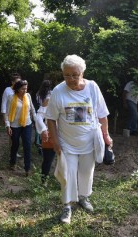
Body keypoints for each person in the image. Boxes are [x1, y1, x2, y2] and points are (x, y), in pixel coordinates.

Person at [45, 54, 112, 224]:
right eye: (67, 75)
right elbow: (51, 119)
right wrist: (56, 143)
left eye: (75, 75)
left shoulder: (92, 87)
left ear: (82, 73)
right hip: (67, 142)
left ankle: (83, 197)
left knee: (86, 172)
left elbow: (102, 114)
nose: (71, 79)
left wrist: (106, 135)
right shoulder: (59, 91)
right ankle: (67, 206)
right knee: (67, 173)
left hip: (89, 141)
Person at [4, 80, 36, 177]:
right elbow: (6, 113)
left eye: (26, 88)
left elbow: (32, 109)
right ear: (17, 89)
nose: (25, 90)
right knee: (15, 144)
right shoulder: (11, 98)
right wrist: (7, 125)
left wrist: (37, 121)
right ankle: (12, 163)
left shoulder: (28, 96)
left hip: (27, 124)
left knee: (27, 145)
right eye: (23, 88)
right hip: (14, 125)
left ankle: (27, 169)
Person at [34, 80, 55, 184]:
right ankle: (43, 181)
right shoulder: (50, 99)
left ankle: (66, 183)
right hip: (50, 134)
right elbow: (39, 116)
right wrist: (43, 129)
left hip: (66, 136)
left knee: (68, 161)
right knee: (47, 160)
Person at [1, 73, 22, 158]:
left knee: (18, 135)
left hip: (20, 116)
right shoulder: (7, 90)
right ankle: (12, 152)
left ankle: (14, 151)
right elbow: (4, 103)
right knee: (12, 135)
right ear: (12, 82)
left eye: (19, 82)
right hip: (10, 115)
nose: (18, 84)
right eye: (16, 82)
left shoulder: (21, 90)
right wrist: (4, 115)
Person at [35, 80, 53, 155]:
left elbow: (38, 102)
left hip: (41, 110)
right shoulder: (51, 93)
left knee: (39, 127)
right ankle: (46, 144)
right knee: (47, 128)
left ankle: (39, 142)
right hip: (48, 111)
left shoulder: (38, 93)